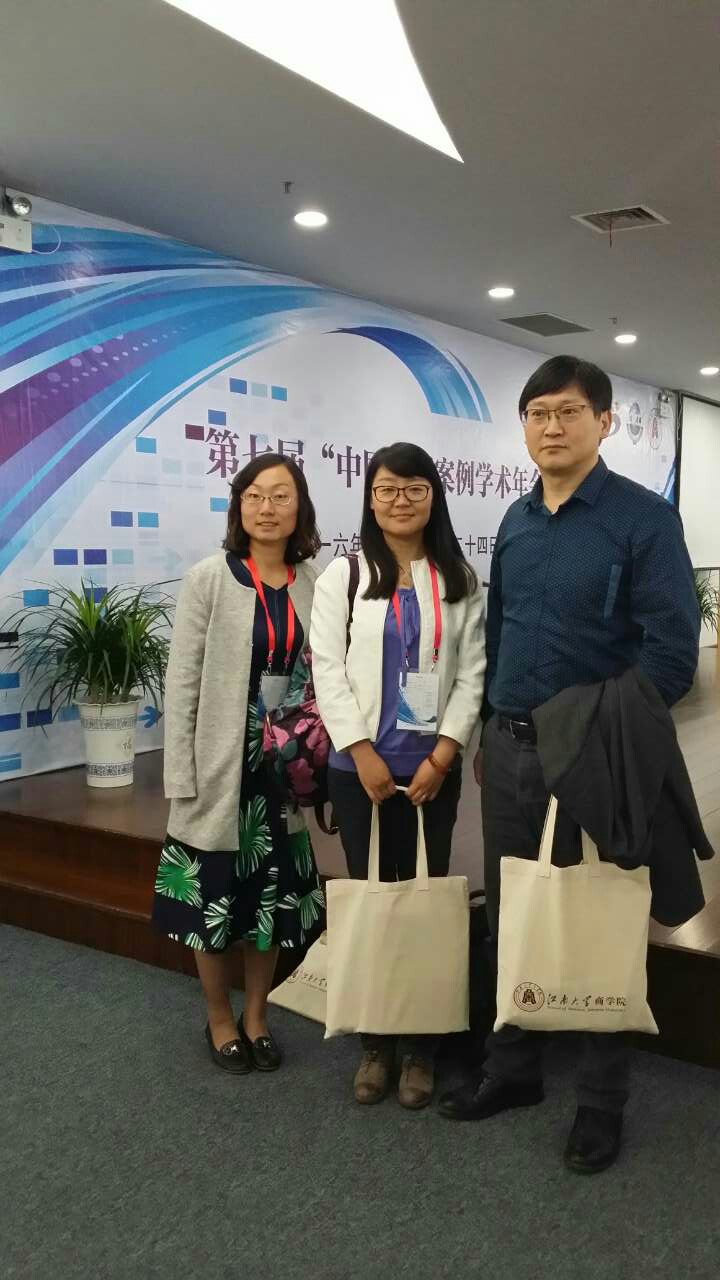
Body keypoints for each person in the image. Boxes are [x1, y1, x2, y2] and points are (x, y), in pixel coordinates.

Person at [438, 355, 700, 1173]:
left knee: (598, 920)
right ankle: (513, 1069)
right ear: (524, 426)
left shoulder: (643, 521)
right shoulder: (515, 520)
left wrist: (600, 731)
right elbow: (502, 631)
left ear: (604, 422)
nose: (551, 427)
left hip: (594, 753)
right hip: (510, 746)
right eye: (538, 413)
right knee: (510, 912)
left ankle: (600, 1100)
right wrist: (488, 729)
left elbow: (672, 655)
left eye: (569, 412)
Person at [310, 442, 486, 1109]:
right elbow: (326, 668)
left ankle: (420, 1045)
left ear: (433, 497)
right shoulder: (345, 575)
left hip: (431, 772)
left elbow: (473, 673)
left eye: (414, 488)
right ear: (370, 498)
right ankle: (375, 1040)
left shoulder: (458, 578)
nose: (400, 500)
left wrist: (445, 755)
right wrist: (360, 751)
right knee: (372, 900)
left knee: (424, 901)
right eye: (387, 489)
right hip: (360, 771)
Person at [152, 454, 323, 1074]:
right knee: (215, 899)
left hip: (285, 767)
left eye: (280, 496)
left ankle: (256, 1016)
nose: (267, 508)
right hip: (223, 763)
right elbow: (182, 683)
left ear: (300, 507)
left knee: (270, 899)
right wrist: (181, 775)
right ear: (238, 506)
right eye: (254, 495)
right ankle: (219, 1017)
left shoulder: (315, 580)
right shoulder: (210, 578)